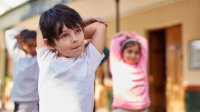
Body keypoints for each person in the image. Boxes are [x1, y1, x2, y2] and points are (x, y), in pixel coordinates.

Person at [37, 4, 107, 112]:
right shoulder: (47, 60)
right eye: (65, 35)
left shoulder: (88, 60)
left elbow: (100, 27)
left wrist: (78, 23)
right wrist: (78, 23)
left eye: (78, 31)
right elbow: (41, 29)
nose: (75, 39)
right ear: (50, 44)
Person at [109, 32, 150, 112]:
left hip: (142, 108)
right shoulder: (117, 65)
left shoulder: (141, 65)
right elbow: (114, 43)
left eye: (136, 52)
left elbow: (144, 41)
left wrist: (132, 35)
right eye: (129, 51)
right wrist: (124, 36)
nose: (133, 55)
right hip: (122, 109)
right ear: (122, 52)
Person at [5, 28, 39, 112]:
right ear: (22, 44)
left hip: (36, 100)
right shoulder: (17, 55)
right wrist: (24, 32)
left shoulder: (39, 57)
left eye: (36, 46)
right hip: (20, 100)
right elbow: (8, 33)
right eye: (30, 46)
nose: (33, 49)